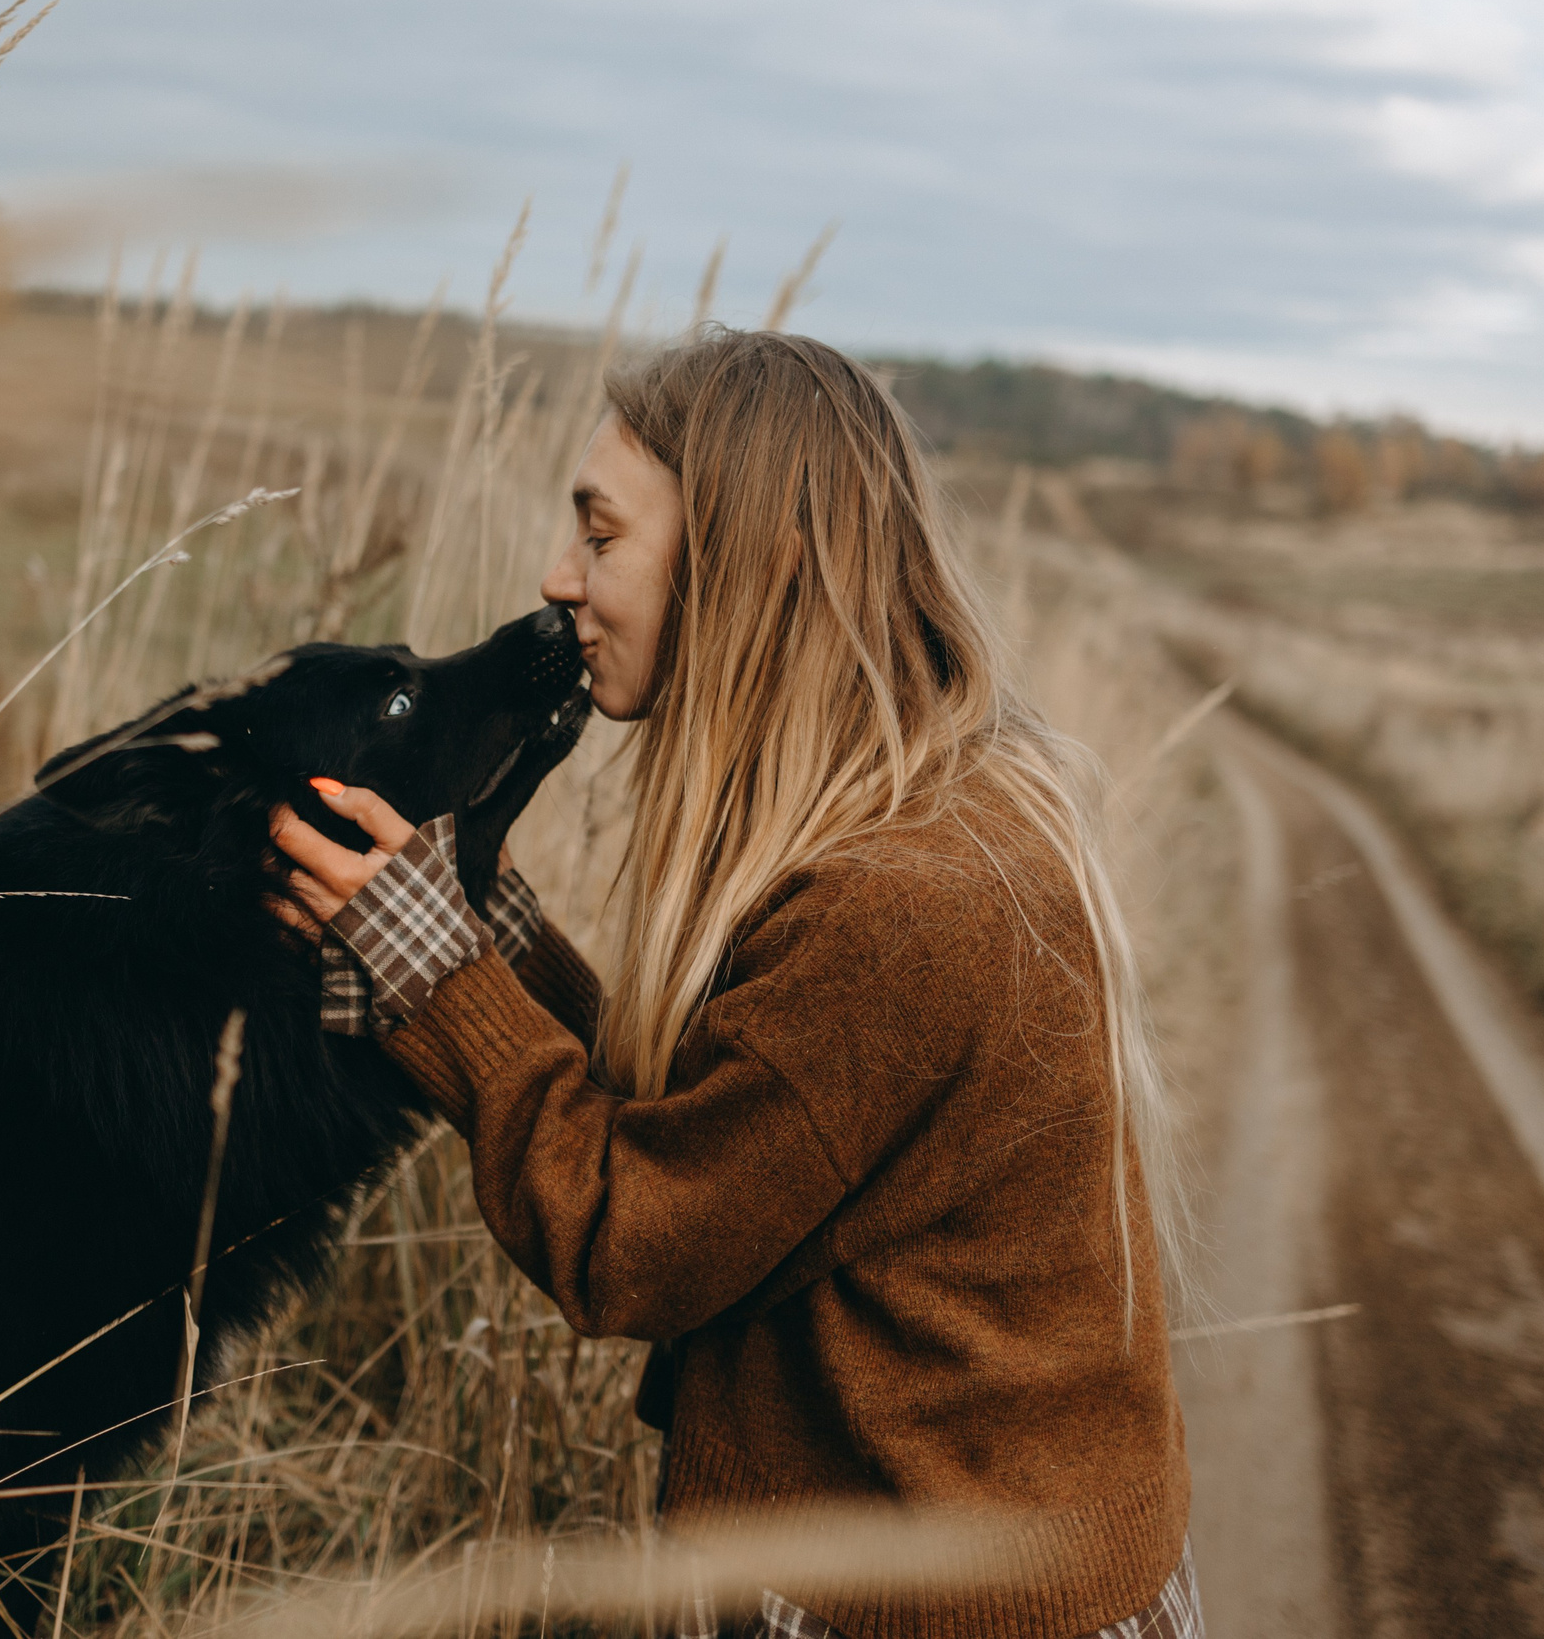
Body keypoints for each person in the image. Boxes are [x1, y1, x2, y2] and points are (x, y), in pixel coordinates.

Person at [271, 328, 1197, 1639]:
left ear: (742, 564)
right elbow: (743, 1131)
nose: (556, 578)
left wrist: (442, 982)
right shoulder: (941, 811)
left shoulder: (897, 907)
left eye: (600, 537)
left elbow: (636, 1239)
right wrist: (493, 927)